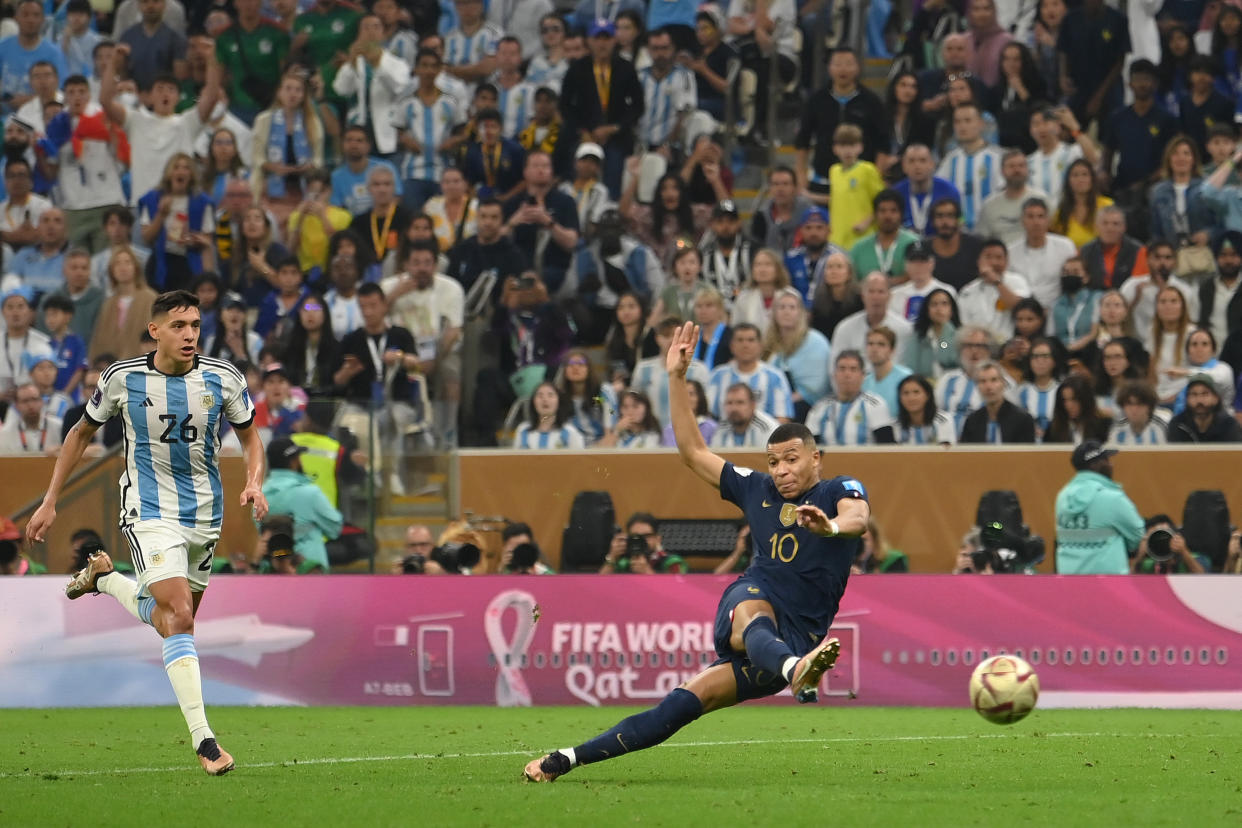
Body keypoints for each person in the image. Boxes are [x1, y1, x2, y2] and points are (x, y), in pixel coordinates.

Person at [523, 320, 869, 782]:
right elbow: (691, 451)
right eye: (773, 461)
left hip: (800, 636)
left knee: (678, 708)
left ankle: (565, 758)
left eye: (791, 459)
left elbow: (858, 517)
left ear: (814, 458)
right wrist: (677, 377)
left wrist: (830, 527)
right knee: (752, 610)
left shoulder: (837, 490)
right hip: (754, 604)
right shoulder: (755, 488)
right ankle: (794, 670)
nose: (782, 470)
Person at [27, 289, 267, 775]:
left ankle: (106, 580)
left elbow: (249, 436)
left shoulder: (223, 378)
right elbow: (80, 433)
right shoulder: (123, 378)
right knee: (178, 614)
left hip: (205, 514)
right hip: (148, 508)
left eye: (196, 325)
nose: (190, 335)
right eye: (179, 326)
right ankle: (206, 742)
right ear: (155, 330)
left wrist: (254, 481)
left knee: (172, 621)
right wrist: (51, 499)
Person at [557, 19, 644, 198]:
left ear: (614, 41)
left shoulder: (626, 68)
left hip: (616, 136)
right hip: (583, 134)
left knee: (614, 166)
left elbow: (638, 106)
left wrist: (615, 128)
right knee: (576, 162)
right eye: (597, 39)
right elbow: (565, 105)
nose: (602, 44)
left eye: (607, 38)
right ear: (589, 41)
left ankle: (609, 211)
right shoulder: (577, 68)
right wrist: (582, 131)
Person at [1053, 441, 1144, 574]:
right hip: (1108, 586)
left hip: (1069, 583)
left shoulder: (1062, 496)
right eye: (1107, 460)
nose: (1111, 464)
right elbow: (1138, 536)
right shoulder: (1112, 498)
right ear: (1096, 465)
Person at [261, 436, 343, 572]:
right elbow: (335, 528)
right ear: (294, 462)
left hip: (271, 570)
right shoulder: (310, 494)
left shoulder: (260, 496)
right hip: (309, 570)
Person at [764, 288, 832, 418]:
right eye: (782, 307)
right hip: (775, 401)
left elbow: (817, 386)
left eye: (792, 307)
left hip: (807, 404)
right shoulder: (767, 342)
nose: (786, 312)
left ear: (801, 312)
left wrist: (786, 401)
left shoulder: (815, 342)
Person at [936, 104, 1003, 231]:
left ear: (981, 124)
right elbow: (940, 192)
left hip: (991, 230)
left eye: (967, 121)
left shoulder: (997, 157)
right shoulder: (950, 160)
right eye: (957, 122)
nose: (962, 126)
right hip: (959, 232)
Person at [705, 323, 793, 420]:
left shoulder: (776, 377)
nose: (745, 345)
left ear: (760, 346)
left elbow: (783, 418)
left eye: (751, 340)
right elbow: (708, 416)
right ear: (732, 346)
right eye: (740, 340)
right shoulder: (717, 376)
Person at [804, 350, 893, 446]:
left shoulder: (876, 405)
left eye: (853, 369)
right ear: (834, 375)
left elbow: (887, 447)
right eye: (842, 369)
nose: (847, 374)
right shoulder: (819, 408)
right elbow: (808, 448)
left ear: (862, 375)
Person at [1026, 106, 1098, 205]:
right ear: (1030, 130)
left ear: (1058, 126)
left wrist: (1074, 127)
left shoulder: (1072, 152)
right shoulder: (1028, 162)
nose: (1041, 128)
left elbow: (1094, 159)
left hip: (1067, 216)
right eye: (1036, 124)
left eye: (1046, 123)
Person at [849, 189, 920, 282]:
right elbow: (851, 284)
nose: (888, 216)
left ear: (901, 215)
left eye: (893, 211)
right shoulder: (859, 248)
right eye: (882, 211)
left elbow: (919, 279)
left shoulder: (914, 243)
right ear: (875, 215)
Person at [976, 150, 1045, 245]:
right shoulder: (989, 205)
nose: (1017, 170)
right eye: (1011, 166)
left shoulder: (1041, 198)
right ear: (1002, 171)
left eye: (1021, 166)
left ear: (1028, 169)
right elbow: (982, 240)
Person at [892, 144, 960, 237]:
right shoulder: (896, 193)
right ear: (904, 166)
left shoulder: (949, 191)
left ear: (932, 164)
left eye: (922, 160)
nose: (917, 166)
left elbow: (958, 225)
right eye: (911, 161)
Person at [959, 360, 1035, 442]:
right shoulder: (972, 421)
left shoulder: (1023, 420)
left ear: (1003, 383)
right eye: (983, 381)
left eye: (994, 380)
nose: (988, 387)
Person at [875, 373, 956, 444]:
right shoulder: (894, 426)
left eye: (916, 392)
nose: (911, 398)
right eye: (905, 393)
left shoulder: (943, 420)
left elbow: (946, 453)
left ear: (927, 395)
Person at [902, 287, 960, 379]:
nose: (939, 309)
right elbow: (910, 366)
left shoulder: (960, 336)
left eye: (944, 304)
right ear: (927, 309)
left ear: (952, 308)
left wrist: (945, 330)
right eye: (934, 304)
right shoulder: (917, 337)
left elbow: (945, 357)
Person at [928, 197, 985, 291]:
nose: (945, 222)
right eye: (939, 216)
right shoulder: (924, 249)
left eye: (950, 216)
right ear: (932, 221)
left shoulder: (976, 245)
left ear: (958, 220)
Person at [1167, 374, 1242, 442]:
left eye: (1205, 394)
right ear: (1186, 399)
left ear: (1216, 398)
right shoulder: (1178, 425)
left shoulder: (1229, 425)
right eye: (1193, 394)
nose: (1199, 400)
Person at [1045, 373, 1111, 444]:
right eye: (1064, 400)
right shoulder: (1053, 429)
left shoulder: (1102, 426)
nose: (1069, 405)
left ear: (1085, 400)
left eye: (1074, 399)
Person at [862, 326, 913, 416]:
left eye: (881, 344)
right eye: (870, 344)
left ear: (892, 350)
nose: (874, 349)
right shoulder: (864, 382)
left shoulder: (906, 378)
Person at [709, 382, 780, 448]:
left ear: (753, 405)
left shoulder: (767, 428)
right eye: (729, 403)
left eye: (740, 402)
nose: (734, 408)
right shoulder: (721, 428)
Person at [0, 381, 63, 453]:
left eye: (34, 399)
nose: (30, 405)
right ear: (16, 406)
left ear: (42, 401)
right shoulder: (6, 433)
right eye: (25, 401)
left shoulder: (59, 427)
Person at [1109, 379, 1167, 445]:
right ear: (1123, 406)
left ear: (1149, 406)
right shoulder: (1117, 429)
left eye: (1140, 404)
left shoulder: (1160, 427)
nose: (1134, 409)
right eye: (1129, 404)